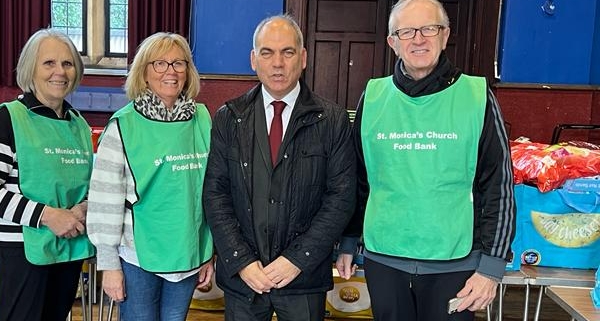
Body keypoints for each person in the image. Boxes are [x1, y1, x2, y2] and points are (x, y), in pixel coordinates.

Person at [335, 0, 516, 320]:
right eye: (406, 31)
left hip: (456, 264)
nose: (418, 39)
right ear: (393, 42)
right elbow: (357, 178)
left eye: (429, 28)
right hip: (385, 260)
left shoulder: (476, 96)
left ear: (445, 35)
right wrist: (348, 240)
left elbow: (499, 185)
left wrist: (491, 267)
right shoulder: (373, 97)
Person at [203, 15, 356, 321]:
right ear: (253, 60)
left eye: (287, 53)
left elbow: (341, 197)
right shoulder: (228, 118)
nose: (277, 64)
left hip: (303, 279)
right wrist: (242, 262)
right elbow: (215, 195)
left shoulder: (332, 120)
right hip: (245, 279)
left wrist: (297, 260)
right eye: (267, 53)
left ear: (303, 58)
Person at [85, 32, 214, 321]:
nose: (171, 71)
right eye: (160, 63)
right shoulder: (123, 125)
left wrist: (209, 252)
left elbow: (210, 193)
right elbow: (105, 200)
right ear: (143, 72)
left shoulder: (203, 120)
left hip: (189, 254)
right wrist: (109, 265)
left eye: (179, 63)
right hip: (136, 256)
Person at [0, 28, 94, 321]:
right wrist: (48, 215)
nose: (60, 72)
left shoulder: (78, 123)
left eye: (67, 64)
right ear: (31, 68)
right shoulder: (8, 117)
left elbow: (88, 183)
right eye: (49, 63)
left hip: (68, 244)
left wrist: (85, 208)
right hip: (20, 250)